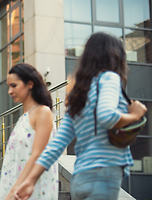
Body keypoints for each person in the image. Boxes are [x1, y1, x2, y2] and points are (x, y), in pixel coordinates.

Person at [15, 32, 148, 200]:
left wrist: (31, 180)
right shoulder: (109, 77)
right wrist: (134, 116)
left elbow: (57, 144)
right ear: (115, 55)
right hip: (104, 173)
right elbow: (106, 116)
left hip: (80, 179)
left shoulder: (79, 93)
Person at [0, 63, 58, 200]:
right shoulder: (23, 119)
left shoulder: (43, 112)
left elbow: (37, 154)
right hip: (16, 186)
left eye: (14, 85)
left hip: (30, 190)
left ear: (30, 84)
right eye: (9, 86)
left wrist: (13, 193)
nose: (9, 91)